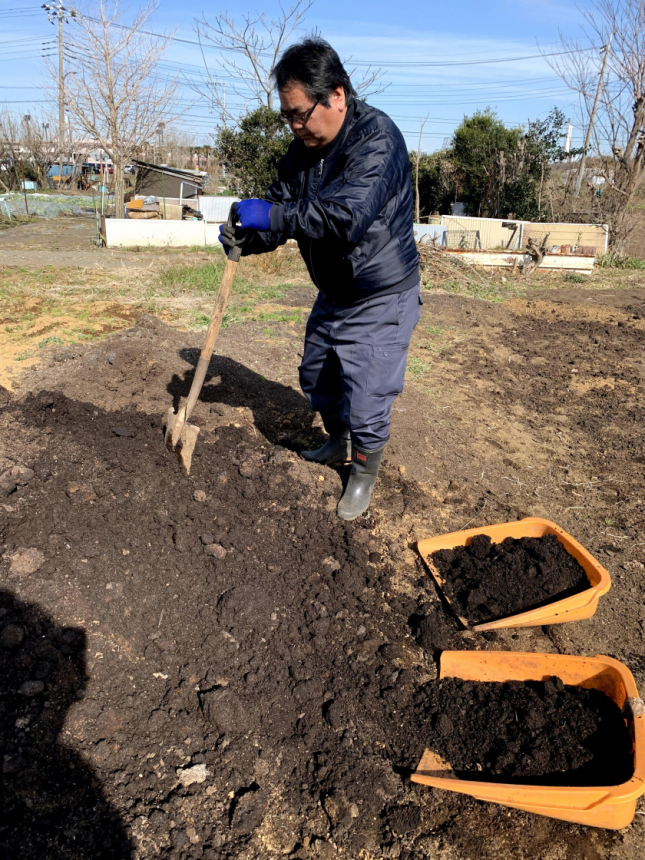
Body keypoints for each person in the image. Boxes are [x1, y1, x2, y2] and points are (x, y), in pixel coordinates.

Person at [219, 37, 421, 521]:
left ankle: (363, 474)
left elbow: (345, 217)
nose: (294, 126)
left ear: (336, 95)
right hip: (335, 289)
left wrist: (274, 217)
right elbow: (282, 207)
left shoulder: (377, 141)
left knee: (368, 396)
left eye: (300, 114)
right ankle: (339, 441)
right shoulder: (303, 150)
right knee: (317, 375)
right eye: (286, 116)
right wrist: (249, 236)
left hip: (380, 292)